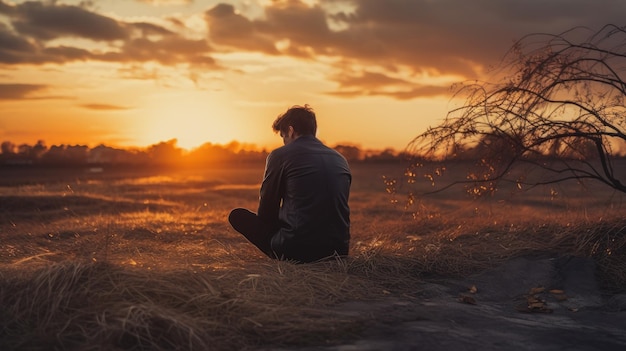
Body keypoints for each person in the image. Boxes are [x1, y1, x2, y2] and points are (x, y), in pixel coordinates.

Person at [228, 105, 351, 263]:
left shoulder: (280, 155)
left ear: (291, 131)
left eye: (283, 136)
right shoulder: (340, 159)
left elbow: (267, 211)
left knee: (237, 216)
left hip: (297, 250)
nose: (285, 142)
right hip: (339, 251)